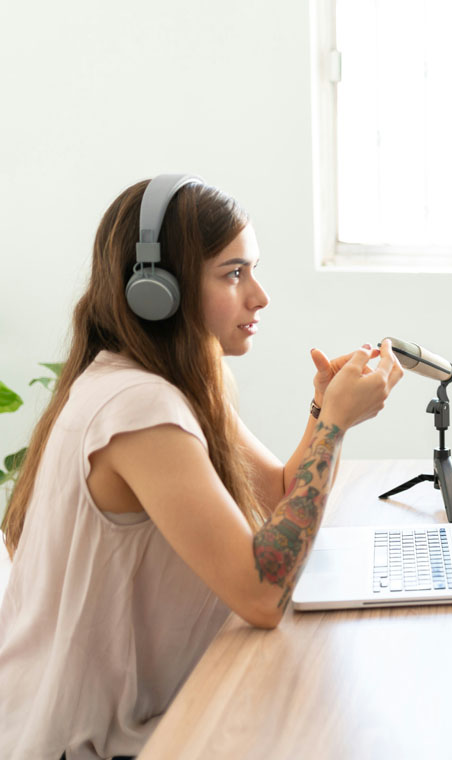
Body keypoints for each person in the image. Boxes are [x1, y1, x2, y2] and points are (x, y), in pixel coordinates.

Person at [0, 176, 404, 759]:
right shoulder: (138, 408)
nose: (259, 296)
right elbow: (264, 595)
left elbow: (277, 498)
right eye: (233, 273)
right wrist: (335, 428)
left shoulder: (177, 384)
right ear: (157, 289)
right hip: (76, 746)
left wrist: (323, 409)